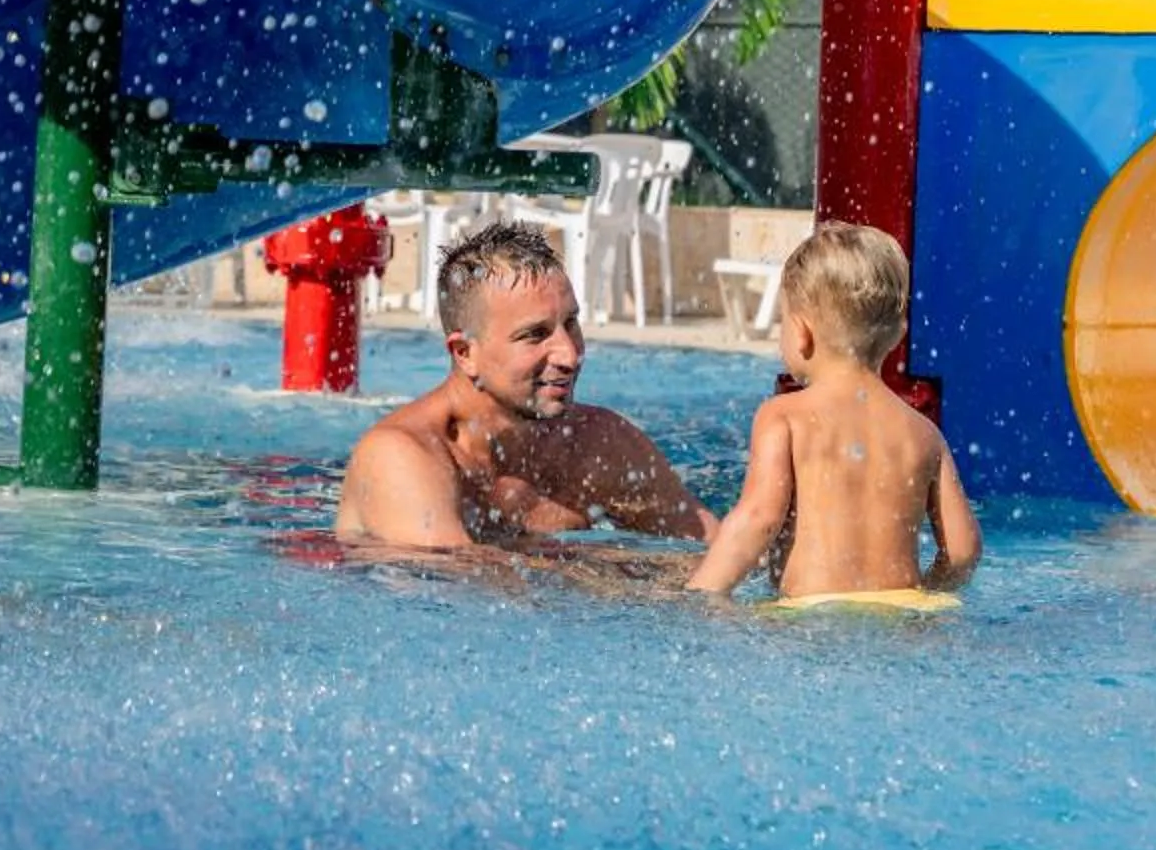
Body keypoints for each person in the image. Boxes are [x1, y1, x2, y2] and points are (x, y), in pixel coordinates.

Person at [334, 220, 713, 550]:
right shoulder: (401, 456)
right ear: (465, 352)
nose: (569, 354)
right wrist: (617, 568)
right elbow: (460, 591)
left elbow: (715, 546)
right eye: (535, 334)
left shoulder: (597, 442)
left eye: (572, 324)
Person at [684, 221, 982, 608]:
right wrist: (923, 595)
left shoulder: (783, 417)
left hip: (811, 618)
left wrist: (701, 595)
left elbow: (758, 518)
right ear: (897, 333)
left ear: (802, 332)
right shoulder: (923, 433)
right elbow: (963, 551)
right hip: (906, 615)